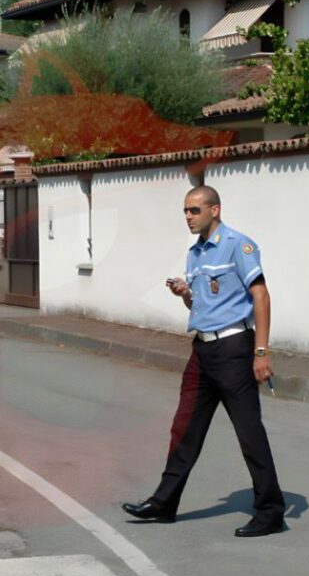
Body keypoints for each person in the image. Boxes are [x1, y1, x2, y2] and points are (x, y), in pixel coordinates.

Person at [122, 185, 286, 537]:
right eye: (185, 211)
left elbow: (261, 296)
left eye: (194, 210)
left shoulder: (238, 245)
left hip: (233, 349)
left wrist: (261, 351)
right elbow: (200, 304)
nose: (188, 217)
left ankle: (271, 511)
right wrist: (186, 294)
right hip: (202, 351)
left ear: (215, 210)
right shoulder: (195, 254)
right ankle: (164, 503)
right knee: (184, 428)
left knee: (248, 432)